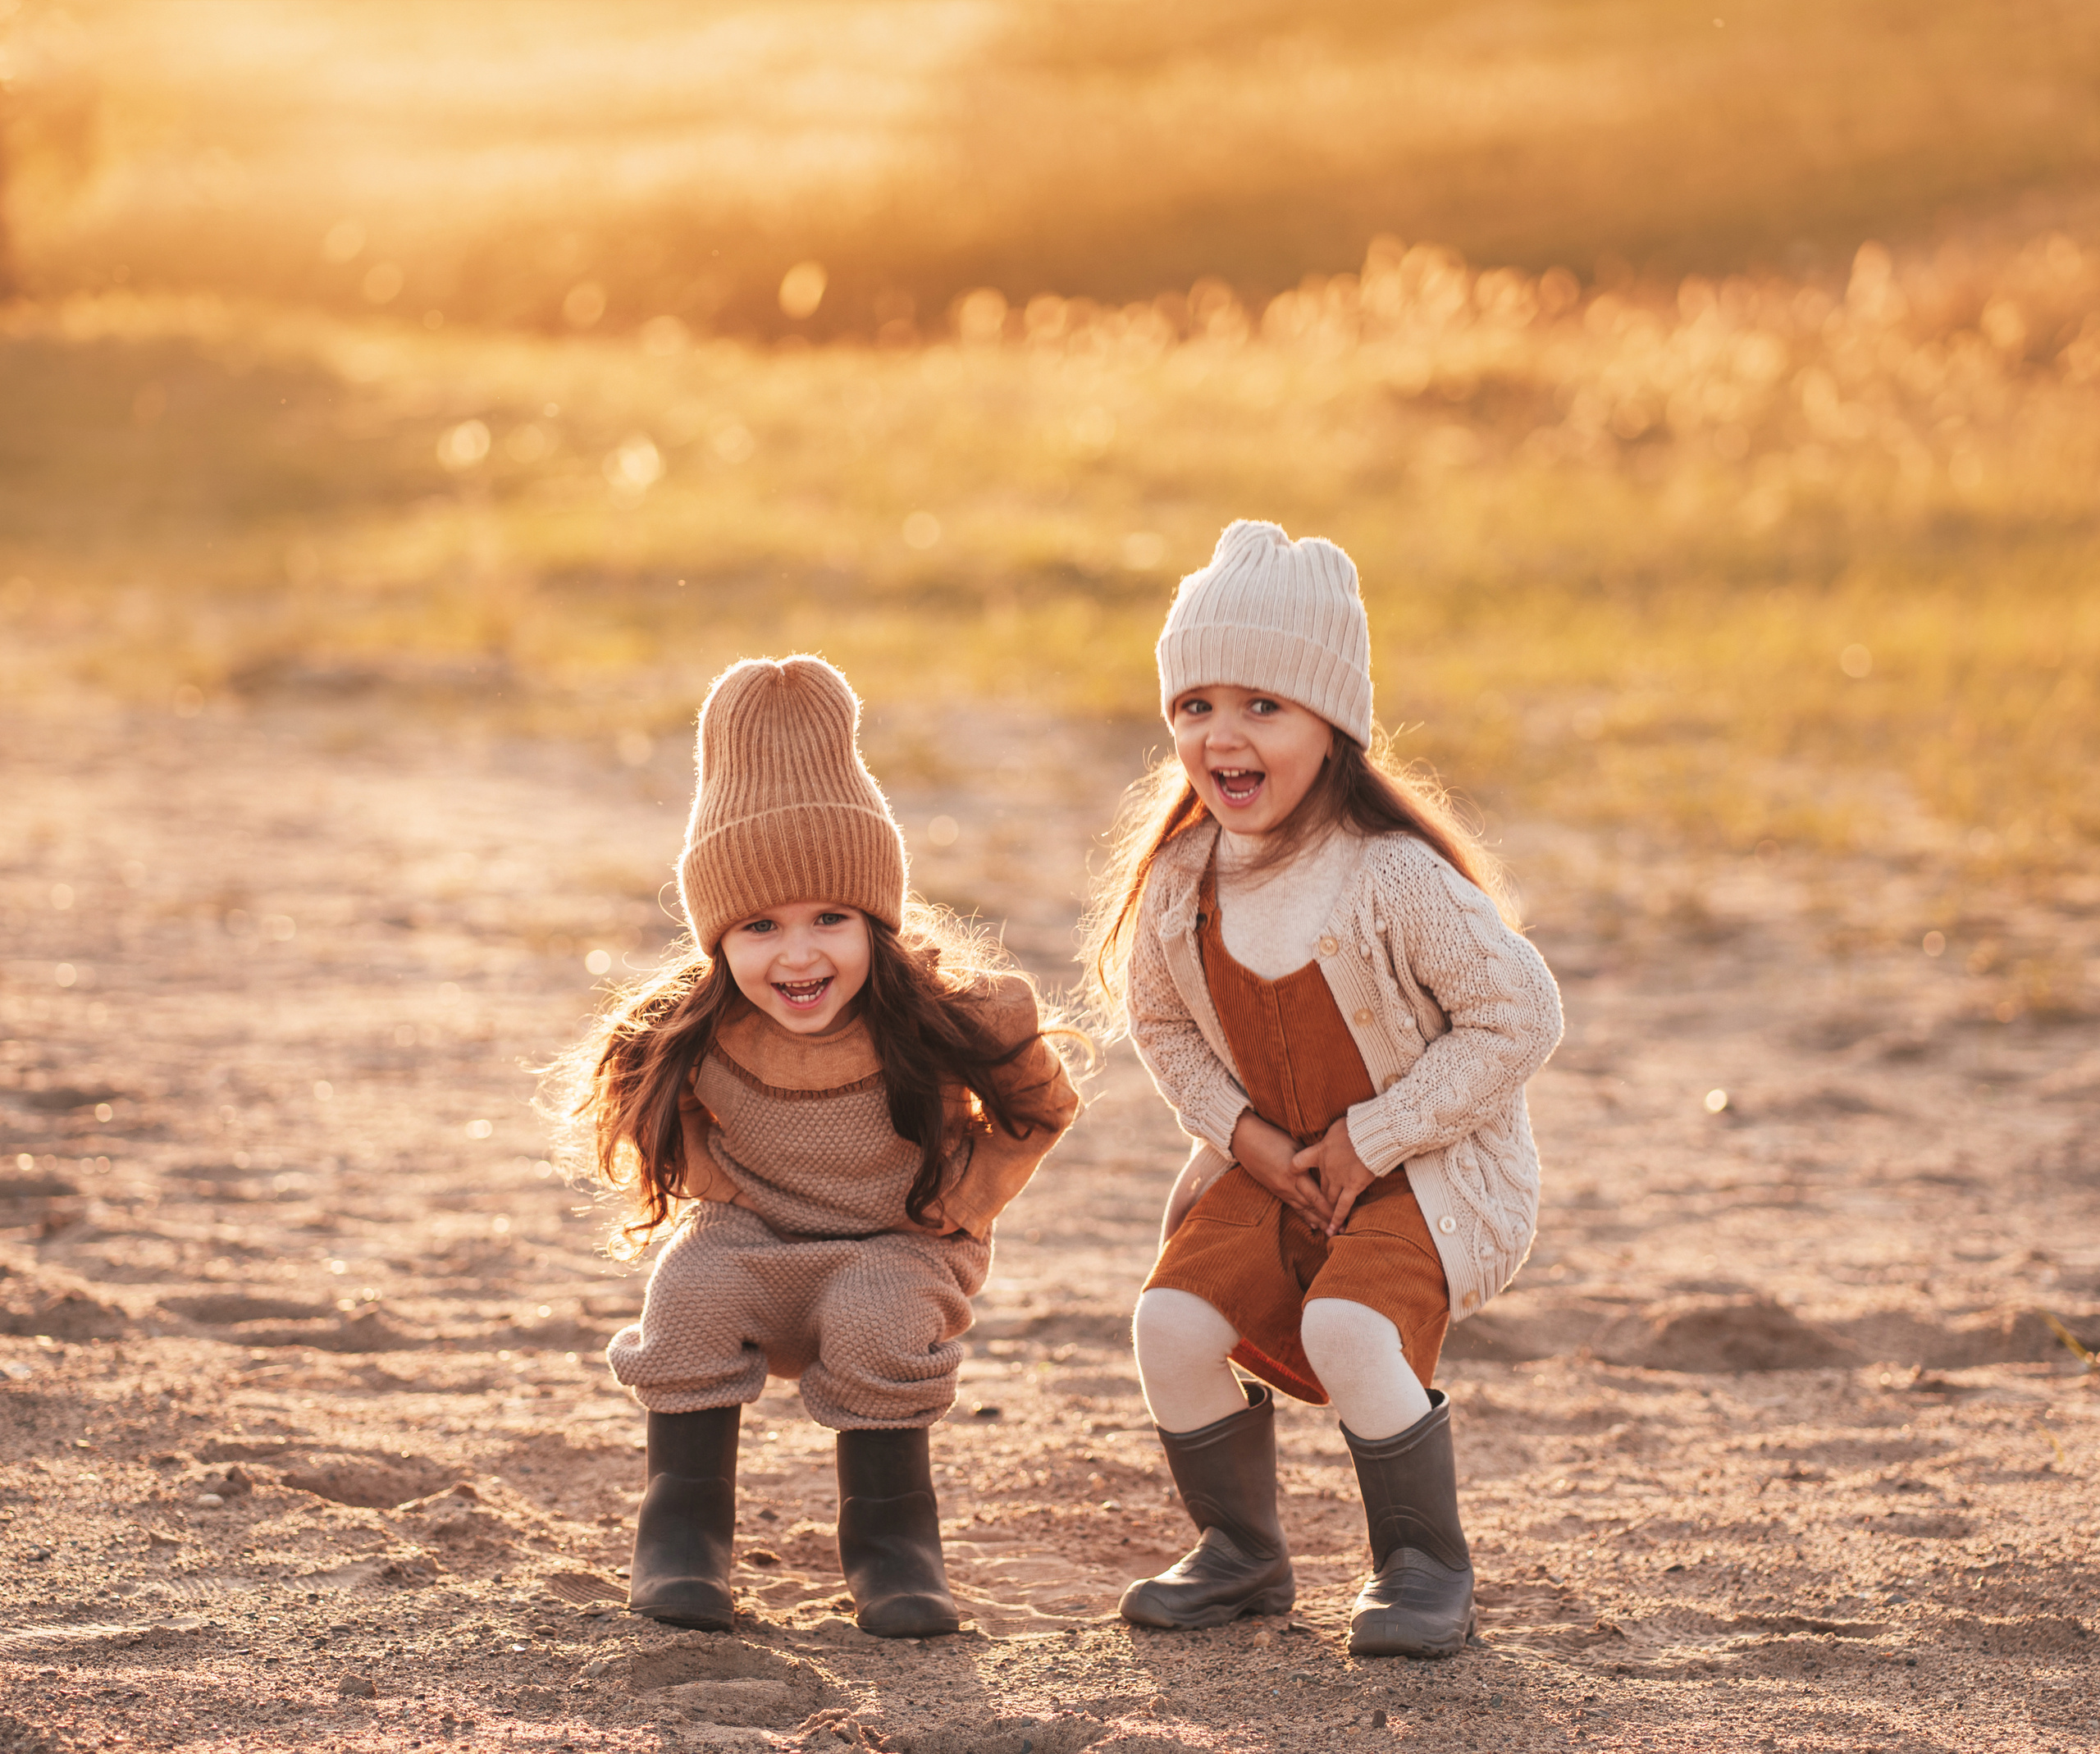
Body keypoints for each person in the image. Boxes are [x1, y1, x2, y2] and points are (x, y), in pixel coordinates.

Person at [1083, 520, 1563, 1657]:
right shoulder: (1179, 880)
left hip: (1422, 1172)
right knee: (1170, 1322)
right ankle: (1241, 1553)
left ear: (1331, 722)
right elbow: (1161, 1025)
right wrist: (1240, 1136)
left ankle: (1424, 1563)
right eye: (1194, 705)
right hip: (1275, 1164)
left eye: (1263, 705)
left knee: (1348, 1330)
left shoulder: (1393, 877)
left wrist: (1377, 1135)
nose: (1222, 734)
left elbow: (1523, 1014)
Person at [561, 655, 1081, 1638]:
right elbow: (650, 1111)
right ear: (718, 938)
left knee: (880, 1310)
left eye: (830, 920)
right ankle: (682, 1534)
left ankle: (893, 1545)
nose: (798, 956)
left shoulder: (944, 1017)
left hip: (901, 1240)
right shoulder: (691, 1030)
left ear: (875, 918)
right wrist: (730, 1194)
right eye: (760, 926)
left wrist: (961, 1204)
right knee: (690, 1290)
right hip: (754, 1235)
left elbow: (1038, 1110)